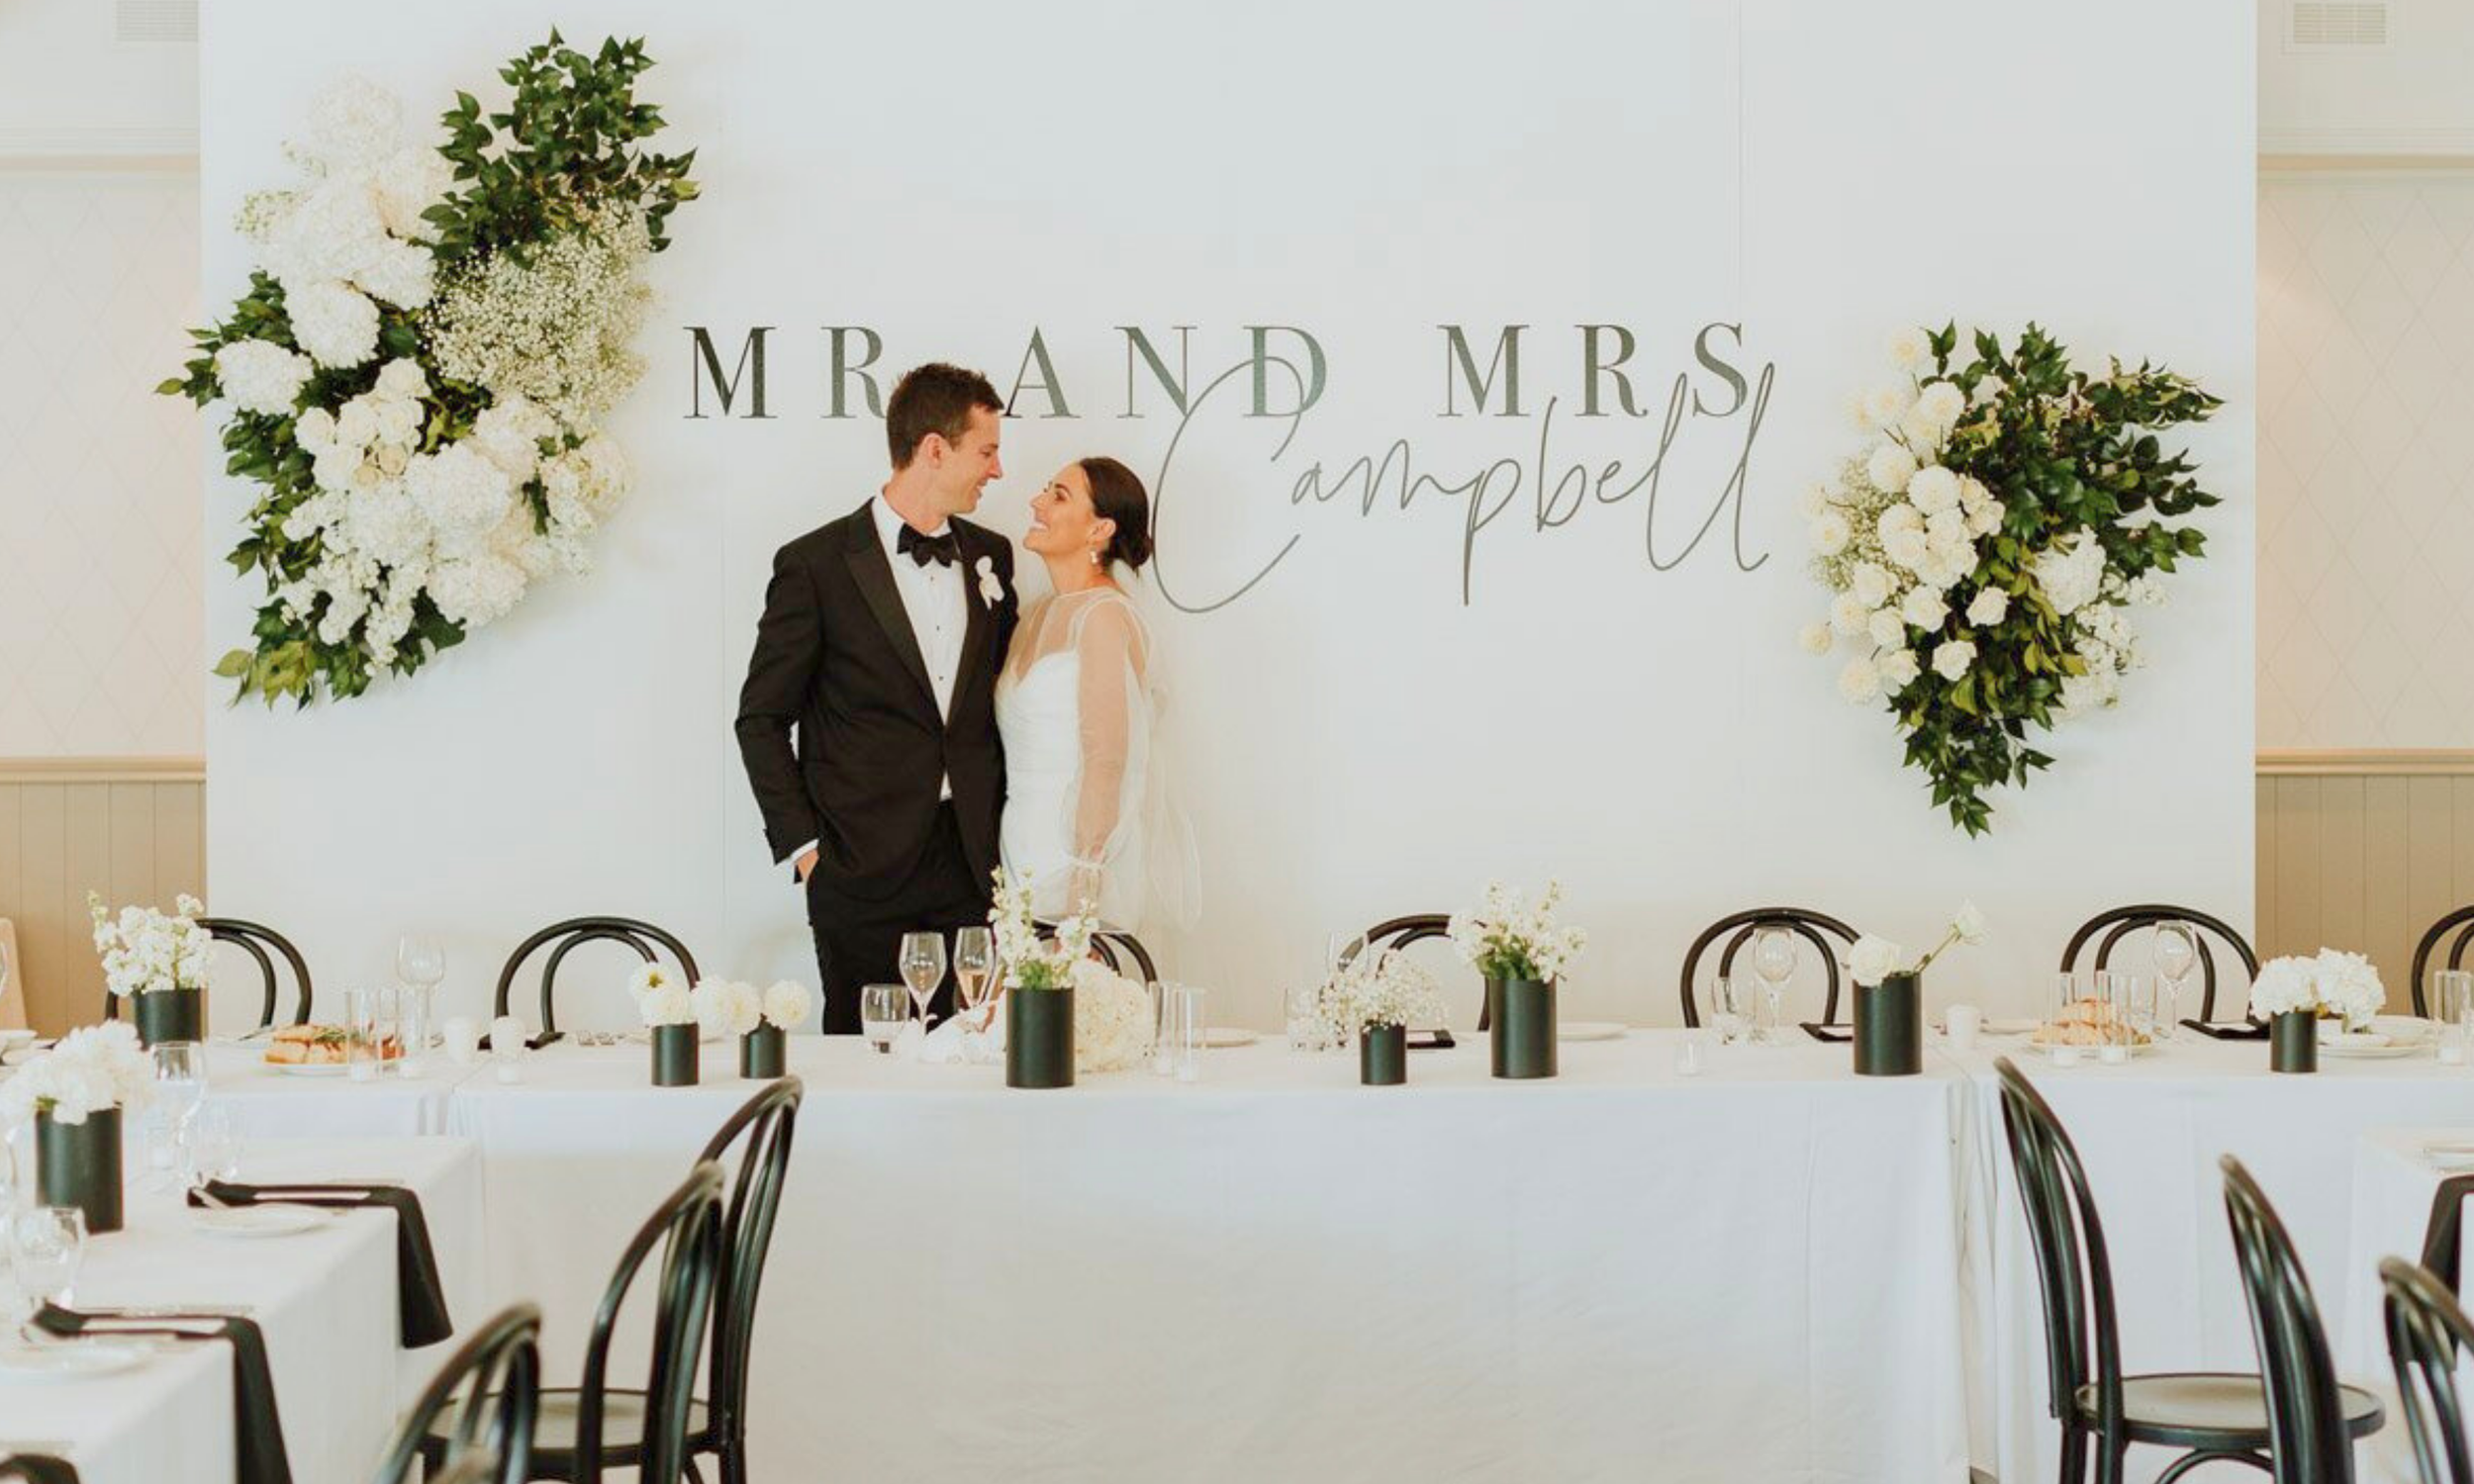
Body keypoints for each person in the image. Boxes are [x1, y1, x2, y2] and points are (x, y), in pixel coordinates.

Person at [734, 363, 1016, 1033]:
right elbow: (762, 718)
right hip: (858, 865)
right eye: (987, 451)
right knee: (867, 1065)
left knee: (975, 1064)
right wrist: (807, 851)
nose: (998, 471)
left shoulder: (992, 556)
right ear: (934, 450)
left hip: (974, 863)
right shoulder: (815, 564)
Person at [996, 456, 1193, 932]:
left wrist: (1084, 885)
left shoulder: (1103, 616)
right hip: (1019, 849)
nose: (1036, 502)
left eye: (1058, 495)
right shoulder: (1040, 613)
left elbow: (1109, 759)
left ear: (1100, 528)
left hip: (1072, 864)